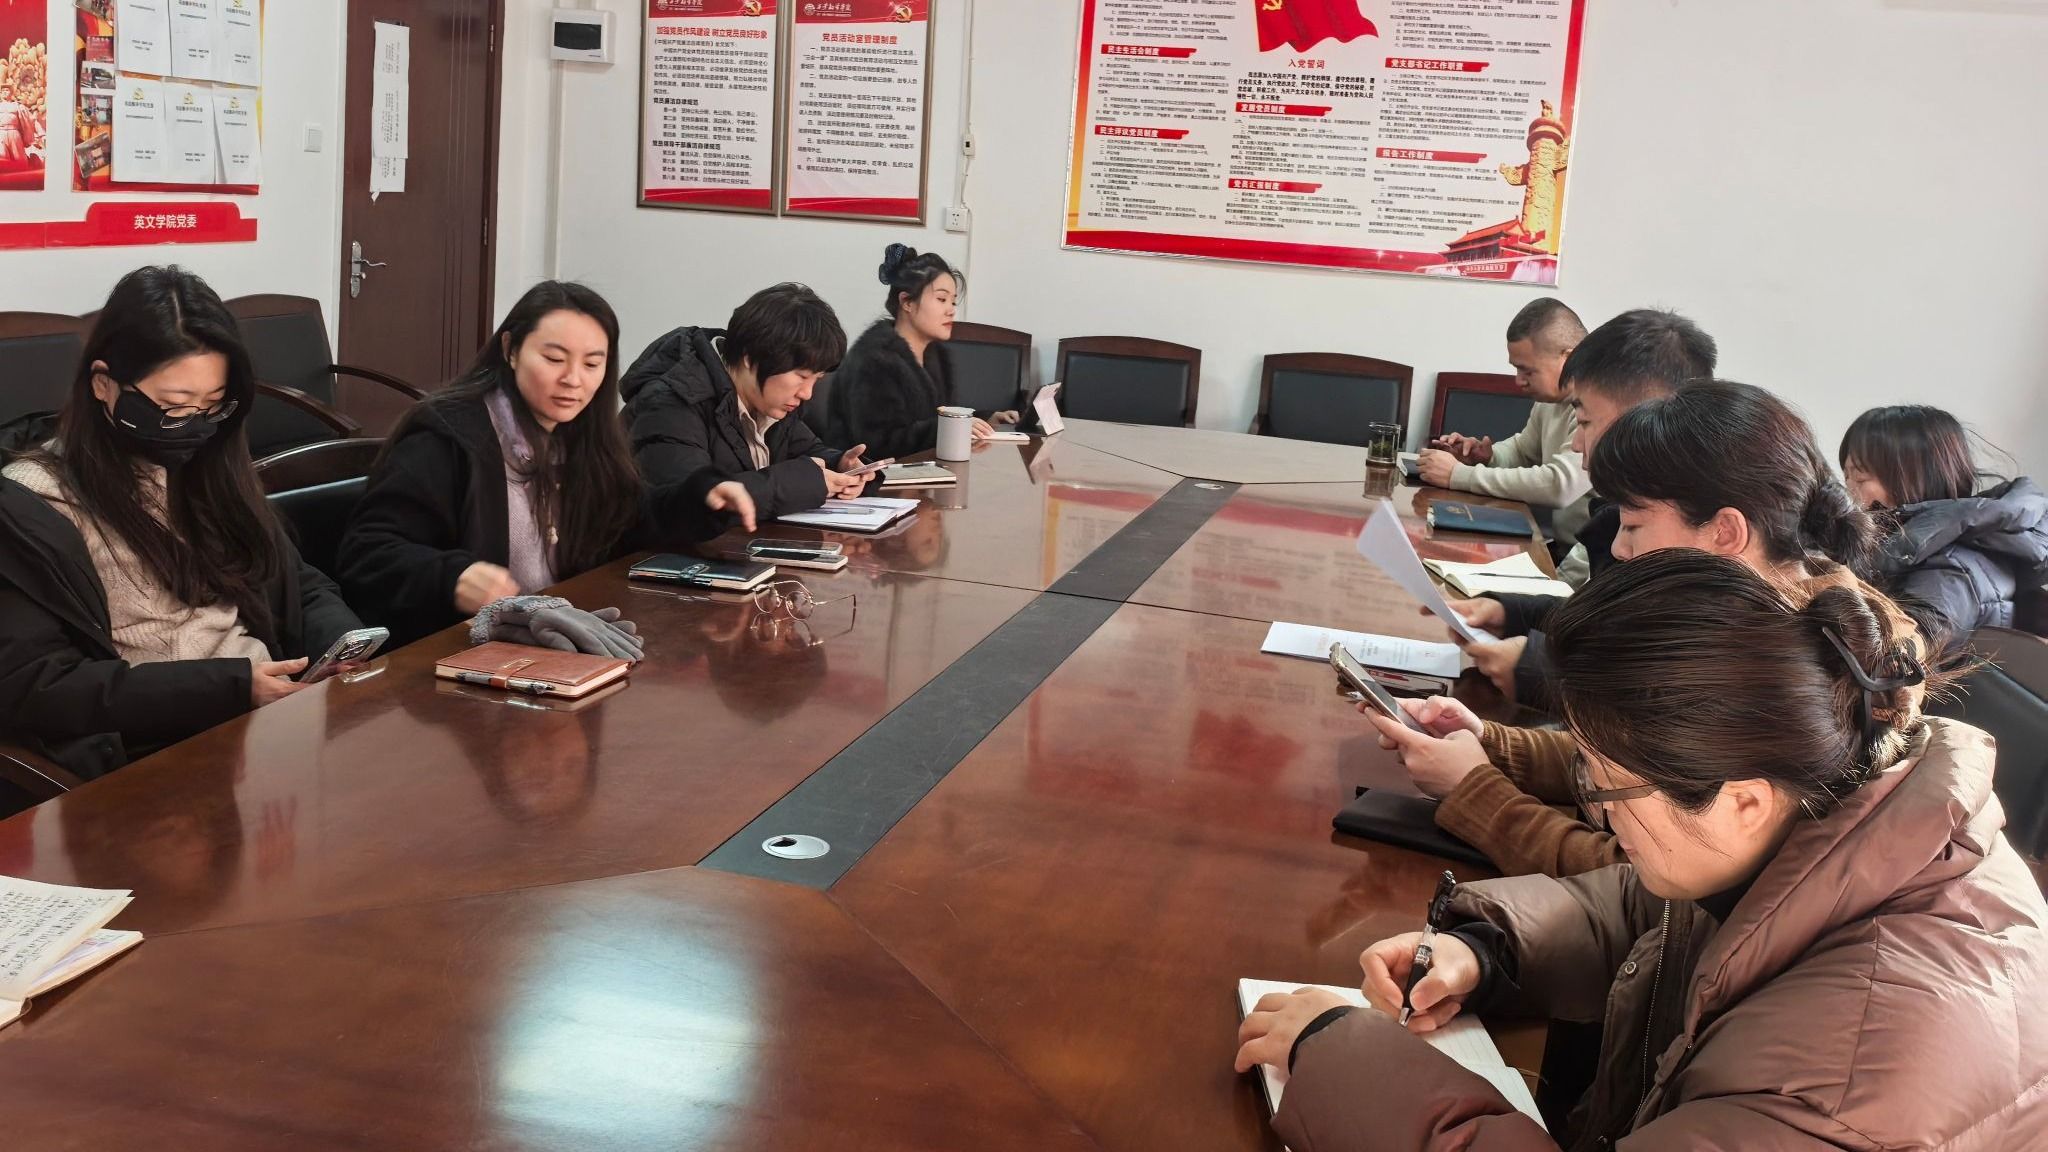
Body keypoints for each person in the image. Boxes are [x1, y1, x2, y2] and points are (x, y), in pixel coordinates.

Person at [1239, 550, 2047, 1151]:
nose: (1592, 805)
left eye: (1604, 786)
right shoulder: (1828, 814)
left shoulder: (1854, 1076)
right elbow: (1651, 904)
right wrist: (1486, 950)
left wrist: (1338, 1055)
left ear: (1742, 800)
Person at [1367, 381, 1900, 877]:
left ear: (1724, 532)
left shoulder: (1783, 677)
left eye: (1634, 525)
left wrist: (1475, 791)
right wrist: (1489, 743)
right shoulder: (1754, 621)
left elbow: (1635, 880)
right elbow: (1620, 767)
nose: (1620, 548)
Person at [0, 265, 362, 780]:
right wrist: (234, 688)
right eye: (173, 406)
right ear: (103, 384)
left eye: (212, 405)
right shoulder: (34, 505)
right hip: (157, 752)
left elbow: (295, 582)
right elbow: (39, 684)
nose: (193, 426)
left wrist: (342, 644)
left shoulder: (205, 463)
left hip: (270, 721)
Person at [338, 281, 756, 647]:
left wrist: (699, 498)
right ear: (511, 350)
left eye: (592, 364)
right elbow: (367, 553)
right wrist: (452, 577)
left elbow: (626, 520)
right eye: (555, 359)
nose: (574, 379)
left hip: (556, 638)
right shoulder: (448, 435)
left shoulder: (580, 434)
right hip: (458, 653)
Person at [1443, 308, 1717, 704]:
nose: (1574, 443)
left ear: (1645, 417)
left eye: (1585, 422)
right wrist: (1511, 612)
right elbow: (1601, 618)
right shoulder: (1627, 510)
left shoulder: (1691, 523)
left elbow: (1656, 684)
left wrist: (1537, 667)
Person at [622, 281, 870, 521]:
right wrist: (806, 482)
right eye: (802, 376)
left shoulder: (768, 402)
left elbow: (805, 451)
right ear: (750, 358)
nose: (807, 393)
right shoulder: (673, 403)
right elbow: (692, 505)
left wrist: (840, 465)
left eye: (816, 379)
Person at [1839, 404, 2048, 644]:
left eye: (1860, 478)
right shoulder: (1912, 551)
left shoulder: (1949, 573)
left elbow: (1897, 656)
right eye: (1846, 477)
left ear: (1913, 478)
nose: (1848, 491)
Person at [1417, 299, 1591, 545]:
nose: (1518, 381)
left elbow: (1559, 485)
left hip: (1591, 560)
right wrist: (1487, 457)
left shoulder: (1600, 405)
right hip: (1562, 549)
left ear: (1569, 359)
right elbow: (1523, 451)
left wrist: (1457, 475)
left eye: (1527, 371)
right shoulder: (1550, 400)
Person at [825, 245, 1017, 460]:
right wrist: (951, 427)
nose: (951, 310)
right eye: (941, 299)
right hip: (869, 476)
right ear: (906, 302)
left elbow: (935, 417)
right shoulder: (874, 360)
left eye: (953, 301)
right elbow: (878, 444)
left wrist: (987, 419)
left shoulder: (936, 355)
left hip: (921, 470)